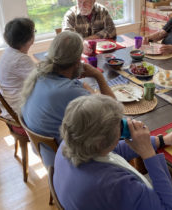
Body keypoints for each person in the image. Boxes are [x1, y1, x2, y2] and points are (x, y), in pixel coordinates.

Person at [54, 94, 172, 210]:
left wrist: (162, 140)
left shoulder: (71, 141)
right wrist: (148, 153)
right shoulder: (115, 184)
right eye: (118, 125)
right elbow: (170, 208)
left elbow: (114, 150)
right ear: (102, 142)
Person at [21, 31, 115, 166]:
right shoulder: (69, 92)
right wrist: (98, 76)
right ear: (78, 61)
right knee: (114, 136)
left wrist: (87, 90)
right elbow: (114, 111)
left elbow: (75, 88)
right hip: (64, 162)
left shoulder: (40, 75)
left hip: (45, 152)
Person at [0, 17, 35, 117]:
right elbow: (43, 81)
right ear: (29, 38)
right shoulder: (20, 59)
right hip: (20, 110)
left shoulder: (9, 52)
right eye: (34, 31)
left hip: (12, 104)